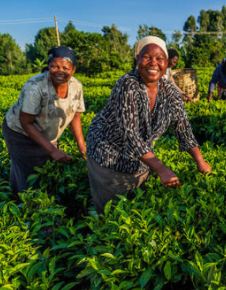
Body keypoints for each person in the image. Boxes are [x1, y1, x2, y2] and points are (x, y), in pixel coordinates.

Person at [86, 36, 211, 214]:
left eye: (159, 58)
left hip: (141, 157)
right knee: (113, 212)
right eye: (147, 57)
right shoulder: (127, 84)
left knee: (138, 209)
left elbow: (183, 129)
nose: (153, 63)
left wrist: (200, 161)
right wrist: (161, 169)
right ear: (137, 59)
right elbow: (130, 134)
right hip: (108, 153)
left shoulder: (170, 93)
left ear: (166, 63)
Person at [2, 46, 86, 195]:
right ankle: (25, 206)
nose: (60, 71)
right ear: (48, 67)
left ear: (73, 70)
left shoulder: (76, 86)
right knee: (30, 172)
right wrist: (52, 150)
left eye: (65, 68)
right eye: (54, 66)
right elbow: (26, 122)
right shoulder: (35, 86)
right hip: (20, 133)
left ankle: (19, 195)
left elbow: (75, 116)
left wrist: (81, 146)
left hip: (45, 132)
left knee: (47, 168)